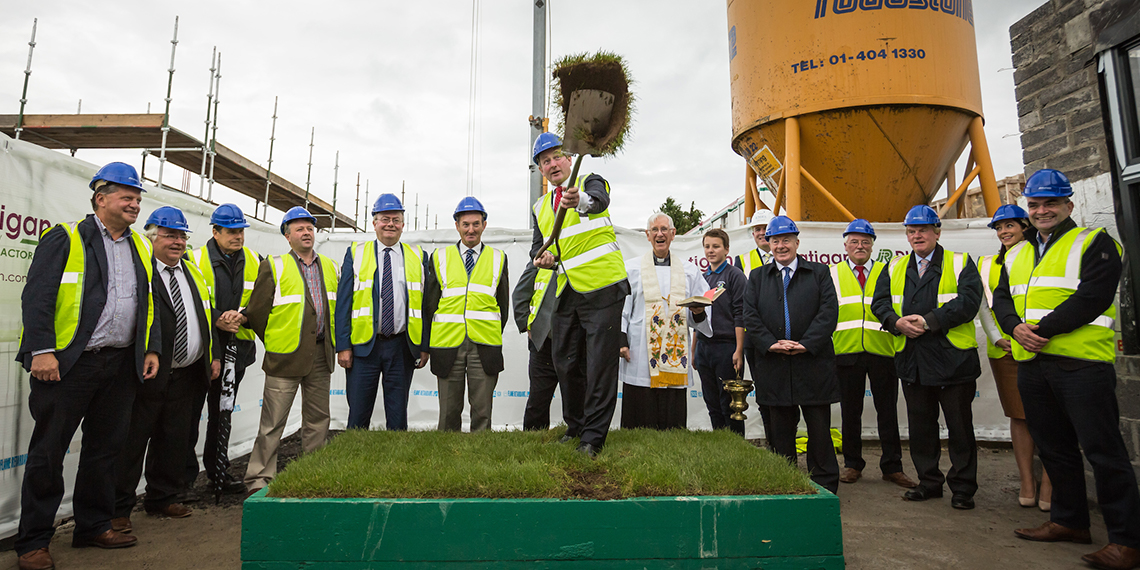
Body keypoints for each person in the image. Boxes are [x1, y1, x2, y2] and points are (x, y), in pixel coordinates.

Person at [15, 162, 160, 570]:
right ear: (101, 199)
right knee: (49, 452)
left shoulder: (140, 246)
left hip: (119, 364)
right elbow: (38, 297)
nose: (134, 204)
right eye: (126, 197)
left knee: (105, 450)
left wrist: (149, 349)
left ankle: (93, 525)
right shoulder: (65, 237)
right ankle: (33, 542)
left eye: (137, 198)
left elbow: (146, 306)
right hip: (68, 365)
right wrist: (41, 350)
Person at [993, 169, 1140, 569]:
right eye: (1036, 204)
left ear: (1068, 205)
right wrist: (1014, 328)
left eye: (1051, 203)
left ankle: (1127, 541)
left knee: (1103, 451)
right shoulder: (1018, 251)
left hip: (1081, 364)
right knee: (1055, 449)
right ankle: (1069, 521)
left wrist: (1040, 330)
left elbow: (1093, 297)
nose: (1042, 211)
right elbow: (1002, 299)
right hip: (1033, 364)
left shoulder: (1096, 243)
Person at [113, 206, 219, 532]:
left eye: (182, 236)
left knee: (174, 439)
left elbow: (204, 320)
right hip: (147, 374)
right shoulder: (140, 272)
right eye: (169, 235)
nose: (177, 241)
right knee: (132, 441)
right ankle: (118, 508)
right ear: (152, 236)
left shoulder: (193, 273)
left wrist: (211, 356)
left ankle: (162, 497)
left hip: (187, 374)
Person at [871, 205, 982, 510]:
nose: (917, 235)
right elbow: (879, 304)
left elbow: (969, 302)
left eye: (922, 229)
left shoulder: (960, 263)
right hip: (912, 360)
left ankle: (963, 489)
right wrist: (896, 322)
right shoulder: (893, 267)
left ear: (937, 231)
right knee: (921, 428)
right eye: (911, 231)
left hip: (953, 361)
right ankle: (929, 482)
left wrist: (928, 321)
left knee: (960, 429)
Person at [531, 133, 630, 456]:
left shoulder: (590, 181)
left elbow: (598, 201)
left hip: (604, 287)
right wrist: (544, 259)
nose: (552, 164)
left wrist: (581, 202)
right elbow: (539, 249)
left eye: (557, 156)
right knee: (566, 364)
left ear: (569, 158)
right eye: (545, 161)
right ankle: (575, 427)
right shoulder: (540, 207)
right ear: (541, 170)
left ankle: (593, 438)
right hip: (566, 291)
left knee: (600, 365)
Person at [240, 207, 339, 494]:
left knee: (318, 420)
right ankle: (259, 478)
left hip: (321, 354)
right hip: (285, 357)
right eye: (299, 228)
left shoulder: (331, 267)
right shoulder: (274, 265)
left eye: (309, 228)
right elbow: (257, 312)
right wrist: (275, 341)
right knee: (272, 424)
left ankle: (313, 473)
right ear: (287, 236)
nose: (306, 232)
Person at [742, 216, 840, 493]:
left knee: (819, 430)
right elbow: (751, 314)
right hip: (773, 364)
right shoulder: (758, 277)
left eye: (786, 240)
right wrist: (770, 344)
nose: (781, 245)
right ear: (768, 244)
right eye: (775, 241)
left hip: (812, 363)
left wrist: (806, 343)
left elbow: (828, 313)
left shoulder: (819, 273)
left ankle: (824, 485)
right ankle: (784, 484)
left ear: (797, 242)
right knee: (780, 432)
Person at [830, 219, 917, 489]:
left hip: (883, 350)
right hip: (846, 351)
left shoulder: (887, 271)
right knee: (850, 412)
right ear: (845, 245)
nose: (860, 246)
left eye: (865, 241)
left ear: (873, 246)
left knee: (887, 411)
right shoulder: (832, 273)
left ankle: (892, 467)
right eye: (854, 241)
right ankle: (852, 464)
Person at [977, 204, 1052, 509]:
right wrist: (998, 336)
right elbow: (984, 305)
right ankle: (1027, 482)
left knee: (1051, 418)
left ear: (1024, 227)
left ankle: (1049, 485)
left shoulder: (1040, 254)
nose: (1004, 232)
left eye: (1010, 225)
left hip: (1041, 344)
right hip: (1005, 348)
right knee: (1018, 416)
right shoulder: (986, 263)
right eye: (999, 227)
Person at [335, 194, 427, 431]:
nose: (390, 224)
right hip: (364, 347)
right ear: (374, 223)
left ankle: (396, 463)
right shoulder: (355, 253)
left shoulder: (418, 257)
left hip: (402, 347)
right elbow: (343, 303)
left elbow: (425, 306)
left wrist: (424, 347)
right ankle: (355, 459)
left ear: (403, 225)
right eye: (384, 219)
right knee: (358, 412)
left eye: (396, 219)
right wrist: (343, 346)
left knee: (398, 415)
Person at [186, 203, 260, 496]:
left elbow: (263, 300)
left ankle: (219, 470)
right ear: (215, 232)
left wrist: (242, 316)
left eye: (241, 231)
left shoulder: (256, 260)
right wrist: (218, 316)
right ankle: (183, 478)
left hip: (237, 349)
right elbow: (190, 301)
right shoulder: (194, 259)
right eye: (231, 231)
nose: (238, 236)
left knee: (222, 414)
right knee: (189, 417)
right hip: (201, 351)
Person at [421, 197, 509, 432]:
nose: (471, 229)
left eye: (476, 224)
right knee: (449, 412)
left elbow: (503, 305)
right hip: (448, 343)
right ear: (457, 226)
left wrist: (488, 330)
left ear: (484, 225)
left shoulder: (499, 258)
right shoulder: (439, 258)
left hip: (484, 344)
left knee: (482, 411)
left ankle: (480, 458)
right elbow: (430, 305)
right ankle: (448, 458)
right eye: (466, 224)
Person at [618, 213, 711, 435]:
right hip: (640, 351)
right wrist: (621, 341)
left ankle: (671, 450)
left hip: (674, 353)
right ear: (648, 236)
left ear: (673, 234)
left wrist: (698, 313)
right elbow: (621, 307)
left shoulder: (689, 271)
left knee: (671, 416)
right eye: (655, 230)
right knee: (639, 414)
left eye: (664, 229)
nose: (660, 234)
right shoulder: (631, 268)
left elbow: (703, 308)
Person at [512, 261, 584, 430]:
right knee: (538, 399)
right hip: (543, 344)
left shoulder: (581, 261)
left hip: (573, 344)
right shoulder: (538, 261)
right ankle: (533, 436)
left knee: (576, 396)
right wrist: (526, 325)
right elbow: (520, 295)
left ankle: (577, 434)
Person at [694, 228, 746, 436]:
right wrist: (695, 348)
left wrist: (739, 349)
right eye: (707, 246)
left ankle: (737, 448)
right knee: (712, 403)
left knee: (730, 405)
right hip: (704, 347)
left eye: (716, 246)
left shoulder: (735, 275)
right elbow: (699, 316)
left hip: (727, 347)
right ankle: (721, 446)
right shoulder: (703, 278)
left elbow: (740, 313)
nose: (711, 251)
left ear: (726, 249)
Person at [735, 210, 776, 449]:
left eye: (765, 228)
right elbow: (741, 305)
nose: (761, 233)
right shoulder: (743, 261)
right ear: (752, 234)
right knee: (764, 395)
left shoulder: (787, 257)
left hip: (784, 337)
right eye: (757, 229)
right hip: (754, 339)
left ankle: (784, 444)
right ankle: (773, 444)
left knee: (783, 395)